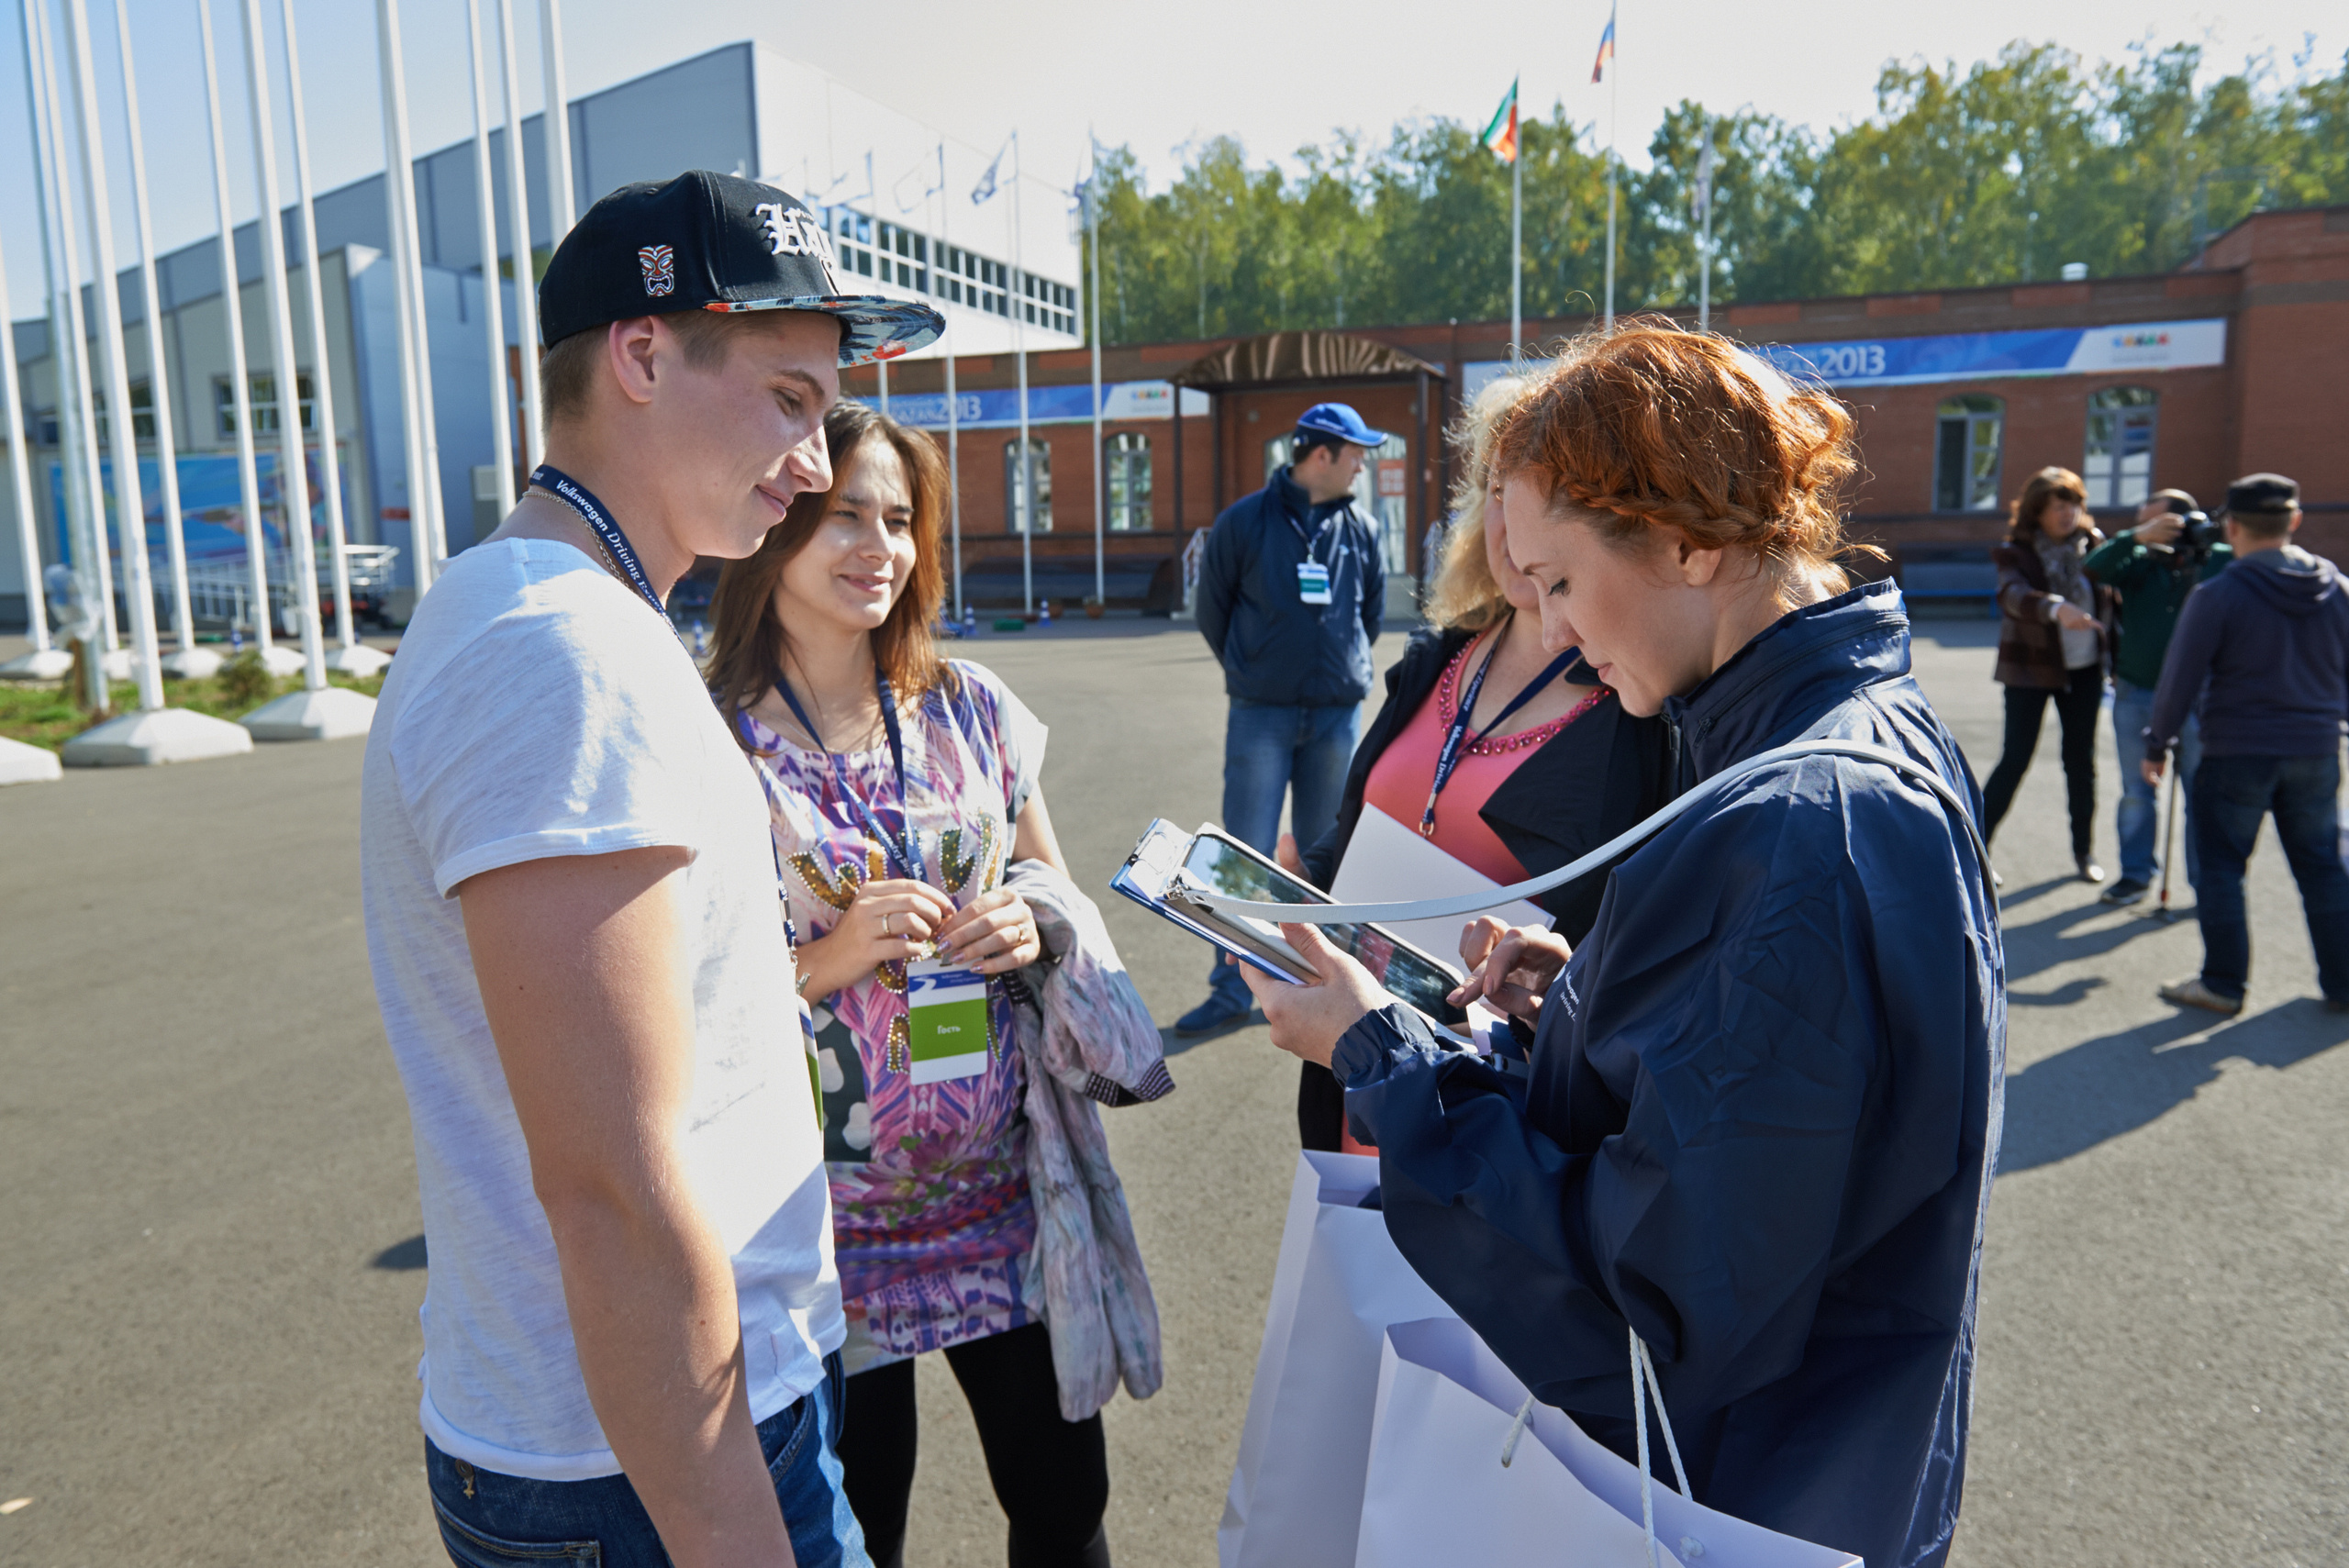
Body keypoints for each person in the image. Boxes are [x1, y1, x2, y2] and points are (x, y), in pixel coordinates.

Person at [1236, 324, 2002, 1568]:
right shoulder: (1840, 741)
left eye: (1558, 579)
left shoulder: (1796, 819)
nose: (1547, 620)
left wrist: (1380, 1052)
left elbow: (1654, 1300)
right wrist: (1587, 1004)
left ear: (1690, 541)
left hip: (1731, 1490)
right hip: (1812, 1466)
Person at [361, 172, 942, 1567]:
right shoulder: (559, 656)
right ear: (639, 354)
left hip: (643, 1440)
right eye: (791, 400)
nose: (814, 463)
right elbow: (615, 1189)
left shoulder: (567, 621)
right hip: (647, 1472)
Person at [706, 400, 1168, 1568]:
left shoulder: (970, 706)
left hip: (1006, 1195)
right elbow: (685, 1005)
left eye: (900, 519)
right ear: (777, 530)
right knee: (866, 1526)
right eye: (845, 516)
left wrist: (1030, 914)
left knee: (1065, 1504)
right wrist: (829, 956)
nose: (879, 546)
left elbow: (1054, 885)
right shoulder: (713, 742)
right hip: (824, 1230)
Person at [1291, 374, 1671, 1151]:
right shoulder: (1437, 660)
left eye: (1536, 494)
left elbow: (1647, 952)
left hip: (1504, 1123)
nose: (1507, 522)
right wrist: (1281, 901)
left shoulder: (1643, 703)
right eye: (1495, 488)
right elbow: (1364, 830)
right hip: (1359, 1068)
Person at [1176, 402, 1387, 1035]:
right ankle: (1229, 988)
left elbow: (1369, 615)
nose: (1362, 465)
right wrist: (1253, 670)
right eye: (1355, 454)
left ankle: (1319, 977)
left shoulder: (1363, 529)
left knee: (1324, 855)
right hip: (1260, 713)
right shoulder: (1243, 523)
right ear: (1319, 455)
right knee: (1241, 853)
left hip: (1334, 717)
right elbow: (1212, 610)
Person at [2143, 473, 2349, 1017]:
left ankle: (2224, 984)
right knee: (2323, 866)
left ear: (2230, 526)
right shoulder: (2337, 589)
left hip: (2237, 750)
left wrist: (2156, 743)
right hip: (2316, 748)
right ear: (2295, 521)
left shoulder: (2219, 594)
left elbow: (2179, 679)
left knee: (2221, 868)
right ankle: (2344, 982)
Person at [2084, 488, 2232, 906]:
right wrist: (2137, 536)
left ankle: (2208, 886)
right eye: (2144, 520)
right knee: (2137, 790)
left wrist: (2201, 543)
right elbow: (2094, 567)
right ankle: (2134, 876)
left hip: (2202, 698)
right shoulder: (2138, 561)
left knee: (2200, 793)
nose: (2151, 530)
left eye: (2160, 522)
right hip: (2136, 691)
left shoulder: (2218, 559)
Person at [1982, 466, 2112, 883]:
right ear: (2037, 512)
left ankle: (2084, 852)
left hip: (2085, 669)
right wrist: (2057, 608)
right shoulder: (2016, 552)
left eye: (2073, 504)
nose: (2067, 514)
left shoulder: (2095, 547)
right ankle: (1975, 850)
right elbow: (2013, 595)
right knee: (2015, 759)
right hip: (2030, 670)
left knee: (2081, 762)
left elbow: (2117, 597)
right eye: (2058, 506)